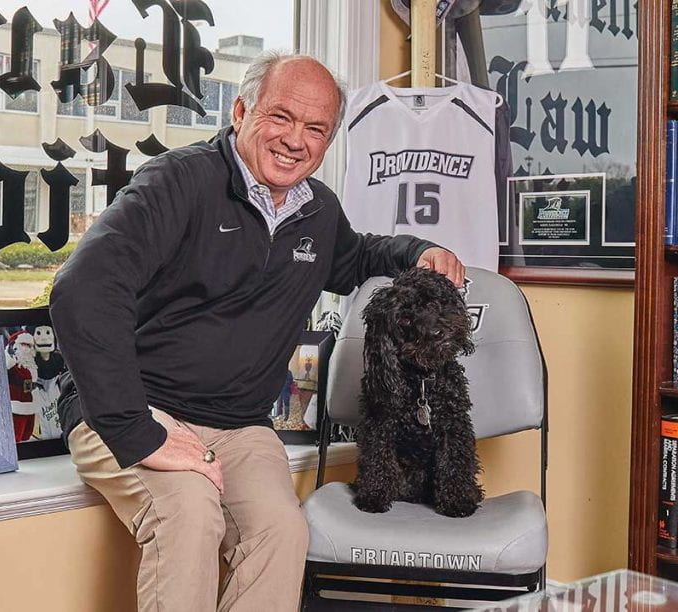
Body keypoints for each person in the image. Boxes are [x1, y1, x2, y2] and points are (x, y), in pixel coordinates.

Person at [49, 53, 465, 612]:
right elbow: (83, 290)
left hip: (241, 425)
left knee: (281, 534)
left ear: (328, 140)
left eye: (315, 129)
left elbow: (356, 255)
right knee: (189, 514)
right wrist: (138, 429)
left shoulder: (316, 209)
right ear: (242, 111)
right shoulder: (179, 180)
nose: (296, 140)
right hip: (138, 411)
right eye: (282, 117)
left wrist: (418, 251)